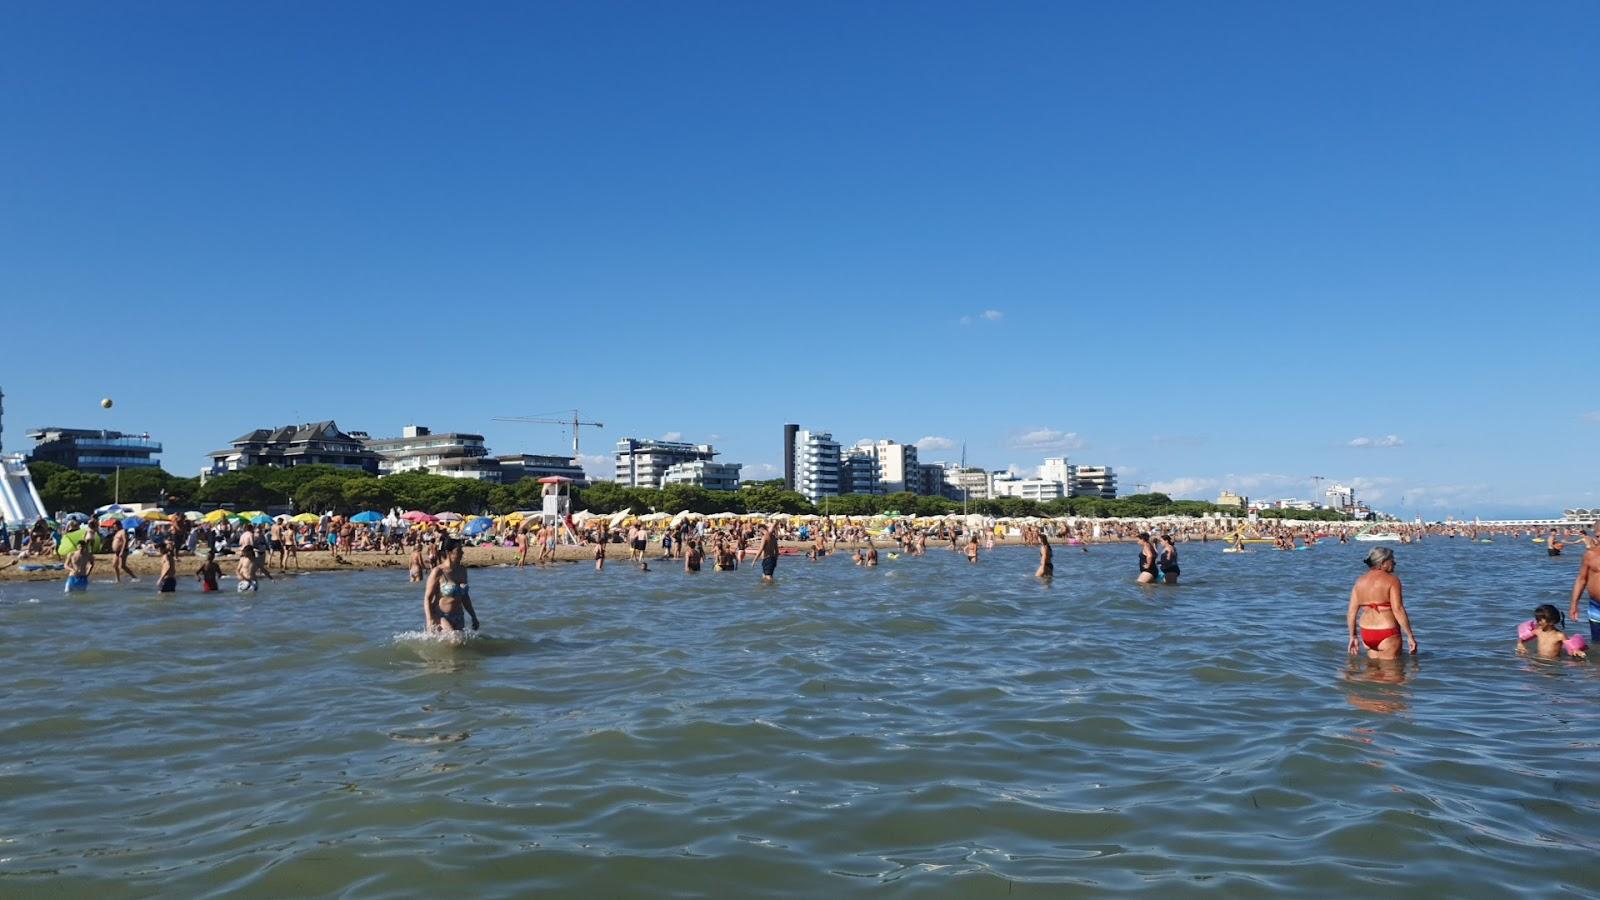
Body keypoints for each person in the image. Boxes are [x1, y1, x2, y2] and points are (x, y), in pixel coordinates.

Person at [1345, 547, 1418, 659]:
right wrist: (1410, 636)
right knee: (1393, 673)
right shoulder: (1392, 580)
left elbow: (1351, 612)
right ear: (1383, 562)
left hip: (1366, 633)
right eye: (1392, 559)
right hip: (1387, 632)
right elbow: (1398, 609)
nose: (1395, 562)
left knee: (1371, 673)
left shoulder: (1359, 581)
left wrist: (1353, 636)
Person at [424, 539, 479, 634]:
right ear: (448, 552)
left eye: (462, 550)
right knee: (454, 640)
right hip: (441, 615)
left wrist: (473, 616)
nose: (462, 553)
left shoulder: (462, 570)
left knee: (459, 645)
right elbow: (427, 598)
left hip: (458, 616)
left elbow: (465, 597)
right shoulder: (438, 572)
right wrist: (429, 620)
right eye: (459, 551)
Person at [1518, 604, 1587, 659]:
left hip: (1553, 662)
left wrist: (1576, 651)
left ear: (1551, 621)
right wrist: (1520, 644)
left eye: (1540, 620)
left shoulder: (1559, 635)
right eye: (1537, 619)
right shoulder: (1538, 631)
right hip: (1538, 659)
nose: (1537, 622)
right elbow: (1523, 638)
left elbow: (1570, 646)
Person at [1570, 537, 1600, 642]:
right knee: (1597, 642)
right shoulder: (1590, 554)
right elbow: (1581, 579)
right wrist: (1574, 605)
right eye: (1598, 536)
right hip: (1596, 606)